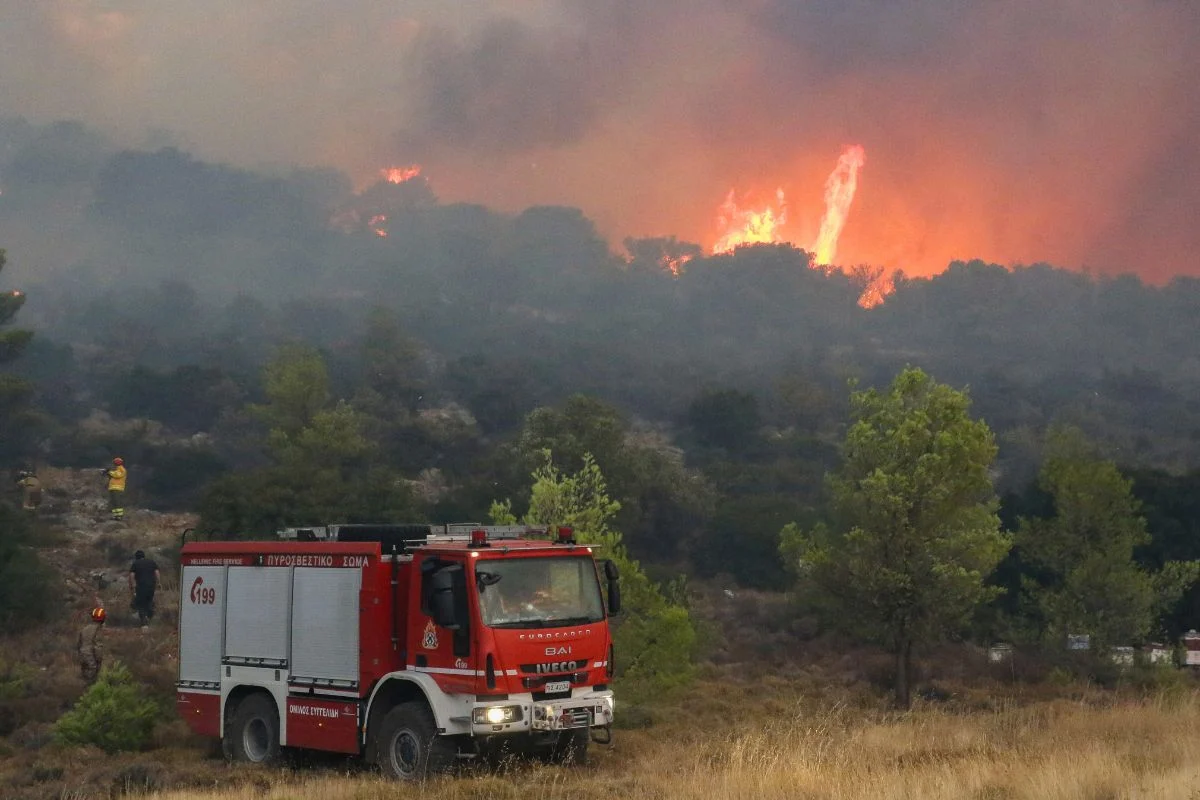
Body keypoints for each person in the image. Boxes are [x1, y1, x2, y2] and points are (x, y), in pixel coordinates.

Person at [128, 549, 159, 629]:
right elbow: (157, 573)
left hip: (140, 587)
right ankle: (149, 616)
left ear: (136, 557)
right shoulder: (152, 562)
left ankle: (144, 623)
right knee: (149, 601)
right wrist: (158, 583)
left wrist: (133, 586)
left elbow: (131, 576)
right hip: (151, 587)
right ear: (144, 556)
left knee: (141, 604)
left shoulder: (135, 564)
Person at [78, 607, 106, 684]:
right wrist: (99, 660)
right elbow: (98, 646)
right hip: (91, 656)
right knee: (92, 677)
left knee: (84, 674)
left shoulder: (85, 628)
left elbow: (79, 643)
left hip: (82, 654)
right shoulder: (98, 630)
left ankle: (82, 691)